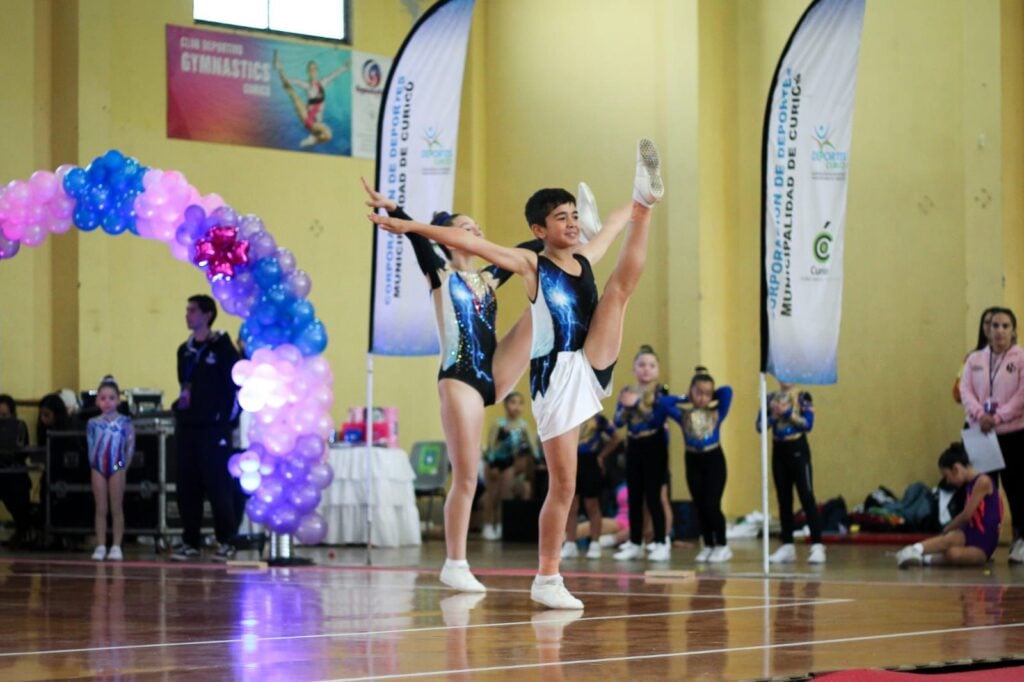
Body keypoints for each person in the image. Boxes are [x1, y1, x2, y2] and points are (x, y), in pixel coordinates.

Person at [369, 137, 664, 609]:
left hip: (587, 359)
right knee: (563, 484)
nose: (568, 223)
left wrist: (633, 208)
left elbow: (610, 227)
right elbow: (468, 242)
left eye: (573, 217)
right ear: (538, 230)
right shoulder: (527, 263)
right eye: (560, 217)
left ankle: (646, 200)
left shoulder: (583, 259)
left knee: (620, 289)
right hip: (553, 375)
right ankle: (547, 578)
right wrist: (407, 224)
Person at [361, 178, 550, 592]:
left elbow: (530, 250)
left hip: (491, 374)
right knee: (466, 477)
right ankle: (455, 562)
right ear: (449, 238)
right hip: (460, 380)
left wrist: (564, 234)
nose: (477, 231)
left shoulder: (488, 276)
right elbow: (419, 242)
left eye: (478, 226)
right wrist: (396, 211)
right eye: (467, 227)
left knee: (542, 304)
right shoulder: (441, 274)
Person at [171, 295, 241, 562]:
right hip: (188, 427)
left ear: (207, 315)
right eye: (187, 310)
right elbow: (185, 384)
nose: (187, 315)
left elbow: (235, 386)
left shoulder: (222, 348)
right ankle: (191, 540)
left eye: (192, 310)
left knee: (217, 485)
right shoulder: (184, 350)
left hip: (214, 430)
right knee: (187, 484)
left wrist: (224, 419)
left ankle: (227, 540)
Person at [960, 307, 1024, 563]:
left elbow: (1021, 396)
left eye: (1005, 326)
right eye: (994, 325)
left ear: (1014, 331)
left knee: (1017, 487)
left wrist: (997, 417)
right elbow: (965, 391)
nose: (999, 331)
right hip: (980, 433)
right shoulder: (975, 359)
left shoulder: (1020, 359)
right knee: (985, 488)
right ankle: (984, 541)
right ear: (987, 330)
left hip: (1012, 433)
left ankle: (1020, 541)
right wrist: (979, 415)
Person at [612, 345, 677, 563]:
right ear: (634, 369)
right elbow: (618, 421)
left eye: (651, 366)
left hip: (654, 443)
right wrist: (625, 406)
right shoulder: (627, 392)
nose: (646, 370)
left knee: (654, 496)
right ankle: (635, 542)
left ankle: (660, 541)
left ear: (657, 370)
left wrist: (637, 405)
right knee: (635, 496)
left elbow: (655, 419)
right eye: (641, 365)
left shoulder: (661, 393)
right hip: (634, 444)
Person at [756, 378, 826, 565]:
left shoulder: (803, 397)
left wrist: (788, 414)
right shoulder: (770, 397)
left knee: (806, 495)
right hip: (779, 451)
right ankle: (787, 544)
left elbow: (808, 425)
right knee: (783, 497)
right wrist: (773, 417)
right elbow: (759, 426)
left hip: (798, 449)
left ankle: (817, 545)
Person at [897, 444, 1002, 567]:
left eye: (947, 476)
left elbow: (966, 516)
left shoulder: (983, 481)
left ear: (956, 468)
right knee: (952, 538)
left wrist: (945, 530)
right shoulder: (969, 485)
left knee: (953, 553)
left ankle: (925, 559)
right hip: (969, 534)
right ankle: (913, 550)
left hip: (984, 543)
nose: (947, 481)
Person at [675, 366, 733, 563]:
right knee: (699, 504)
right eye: (698, 392)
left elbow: (727, 392)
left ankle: (722, 545)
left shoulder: (717, 412)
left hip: (714, 459)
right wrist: (687, 398)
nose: (703, 397)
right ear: (691, 391)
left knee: (711, 503)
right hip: (692, 460)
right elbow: (664, 403)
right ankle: (708, 544)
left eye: (707, 394)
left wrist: (711, 395)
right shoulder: (683, 414)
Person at [86, 376, 134, 561]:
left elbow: (130, 446)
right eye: (103, 398)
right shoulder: (93, 423)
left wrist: (124, 466)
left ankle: (116, 545)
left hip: (117, 466)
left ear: (119, 400)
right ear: (97, 400)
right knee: (100, 508)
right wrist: (93, 465)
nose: (107, 402)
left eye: (111, 398)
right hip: (97, 466)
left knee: (116, 507)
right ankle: (100, 545)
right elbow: (90, 446)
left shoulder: (125, 422)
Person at [561, 411, 620, 559]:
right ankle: (570, 543)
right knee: (571, 505)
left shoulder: (598, 418)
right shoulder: (567, 414)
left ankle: (595, 542)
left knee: (591, 504)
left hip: (590, 461)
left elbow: (616, 438)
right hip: (571, 460)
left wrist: (601, 455)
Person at [482, 392, 537, 541]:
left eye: (520, 403)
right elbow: (491, 446)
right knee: (491, 494)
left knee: (505, 495)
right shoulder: (499, 424)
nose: (517, 407)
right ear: (506, 405)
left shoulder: (523, 426)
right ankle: (487, 525)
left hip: (509, 463)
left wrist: (538, 461)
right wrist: (492, 464)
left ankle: (500, 525)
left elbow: (532, 447)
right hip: (493, 462)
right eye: (513, 402)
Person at [273, 51, 351, 148]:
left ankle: (313, 139)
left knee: (328, 135)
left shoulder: (322, 83)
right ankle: (279, 68)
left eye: (314, 68)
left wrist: (345, 67)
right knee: (292, 93)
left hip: (317, 123)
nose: (312, 70)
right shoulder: (307, 86)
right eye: (310, 69)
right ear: (308, 72)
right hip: (308, 118)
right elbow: (293, 81)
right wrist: (285, 78)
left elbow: (333, 75)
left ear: (317, 71)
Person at [0, 394, 32, 546]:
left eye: (4, 416)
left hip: (12, 473)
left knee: (16, 485)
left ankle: (23, 529)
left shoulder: (19, 426)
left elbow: (22, 453)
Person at [954, 307, 1000, 404]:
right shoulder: (971, 358)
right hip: (977, 415)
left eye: (994, 323)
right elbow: (957, 391)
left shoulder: (1015, 357)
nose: (990, 326)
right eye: (986, 322)